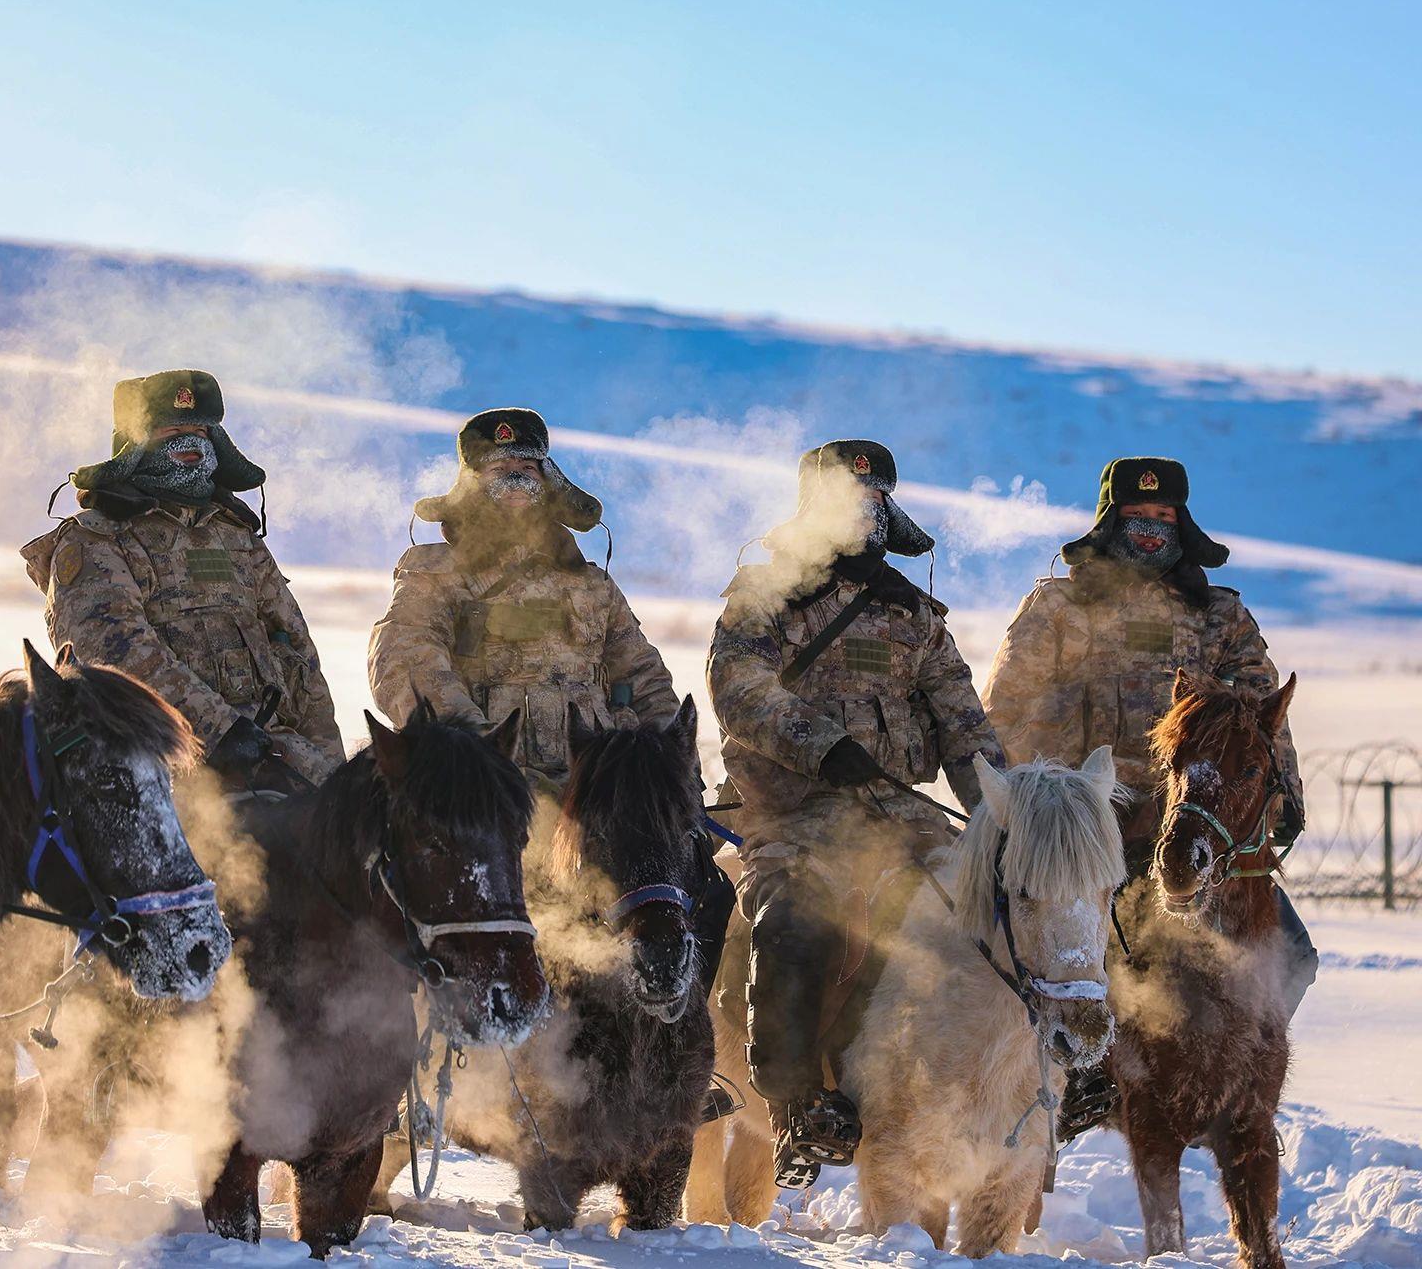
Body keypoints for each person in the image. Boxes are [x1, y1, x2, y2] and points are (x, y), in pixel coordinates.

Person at [982, 456, 1316, 1135]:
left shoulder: (1220, 615)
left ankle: (1231, 1076)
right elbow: (1007, 710)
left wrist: (1282, 801)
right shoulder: (1057, 608)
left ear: (1183, 522)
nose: (1151, 528)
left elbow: (1263, 719)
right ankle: (1078, 1082)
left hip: (1195, 831)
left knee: (1295, 956)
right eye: (1137, 515)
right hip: (1085, 829)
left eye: (1164, 516)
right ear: (1110, 520)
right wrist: (1055, 803)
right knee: (1077, 956)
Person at [707, 440, 1002, 1189]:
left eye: (874, 498)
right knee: (793, 931)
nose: (862, 509)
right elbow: (736, 685)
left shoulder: (917, 618)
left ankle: (1023, 1101)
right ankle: (800, 1104)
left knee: (995, 929)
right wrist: (821, 745)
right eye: (845, 496)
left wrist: (1005, 811)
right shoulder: (765, 593)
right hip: (794, 823)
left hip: (907, 829)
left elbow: (965, 727)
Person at [21, 369, 343, 789]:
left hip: (273, 756)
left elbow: (300, 660)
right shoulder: (95, 539)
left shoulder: (239, 538)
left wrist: (333, 772)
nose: (190, 442)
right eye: (172, 429)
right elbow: (112, 652)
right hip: (159, 764)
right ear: (134, 445)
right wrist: (223, 731)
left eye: (200, 429)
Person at [366, 407, 678, 784]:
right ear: (472, 485)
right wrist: (479, 749)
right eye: (498, 470)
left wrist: (671, 761)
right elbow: (404, 662)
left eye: (528, 468)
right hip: (484, 788)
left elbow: (644, 675)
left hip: (595, 790)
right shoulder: (433, 572)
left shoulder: (592, 584)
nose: (515, 478)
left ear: (549, 481)